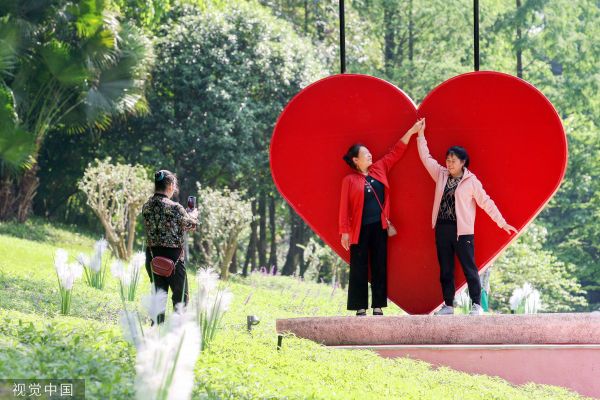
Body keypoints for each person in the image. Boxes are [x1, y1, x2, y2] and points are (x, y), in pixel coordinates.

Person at [415, 118, 517, 315]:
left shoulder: (471, 181)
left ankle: (477, 305)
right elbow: (425, 157)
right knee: (446, 270)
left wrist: (502, 223)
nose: (449, 163)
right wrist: (420, 135)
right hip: (442, 228)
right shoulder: (441, 174)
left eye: (453, 160)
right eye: (448, 160)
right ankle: (448, 305)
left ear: (463, 162)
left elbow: (486, 202)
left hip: (462, 232)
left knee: (470, 268)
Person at [339, 119, 424, 316]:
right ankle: (360, 307)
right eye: (365, 154)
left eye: (369, 152)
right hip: (359, 230)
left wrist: (412, 131)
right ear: (356, 160)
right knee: (359, 268)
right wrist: (344, 232)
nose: (370, 155)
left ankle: (377, 306)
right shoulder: (349, 180)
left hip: (379, 227)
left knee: (379, 266)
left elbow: (396, 151)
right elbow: (344, 208)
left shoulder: (379, 168)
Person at [142, 170, 199, 324]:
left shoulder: (146, 206)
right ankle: (176, 332)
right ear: (171, 185)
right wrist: (192, 214)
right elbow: (191, 225)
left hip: (152, 257)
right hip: (173, 260)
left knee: (158, 298)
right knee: (181, 300)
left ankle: (155, 330)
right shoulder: (175, 207)